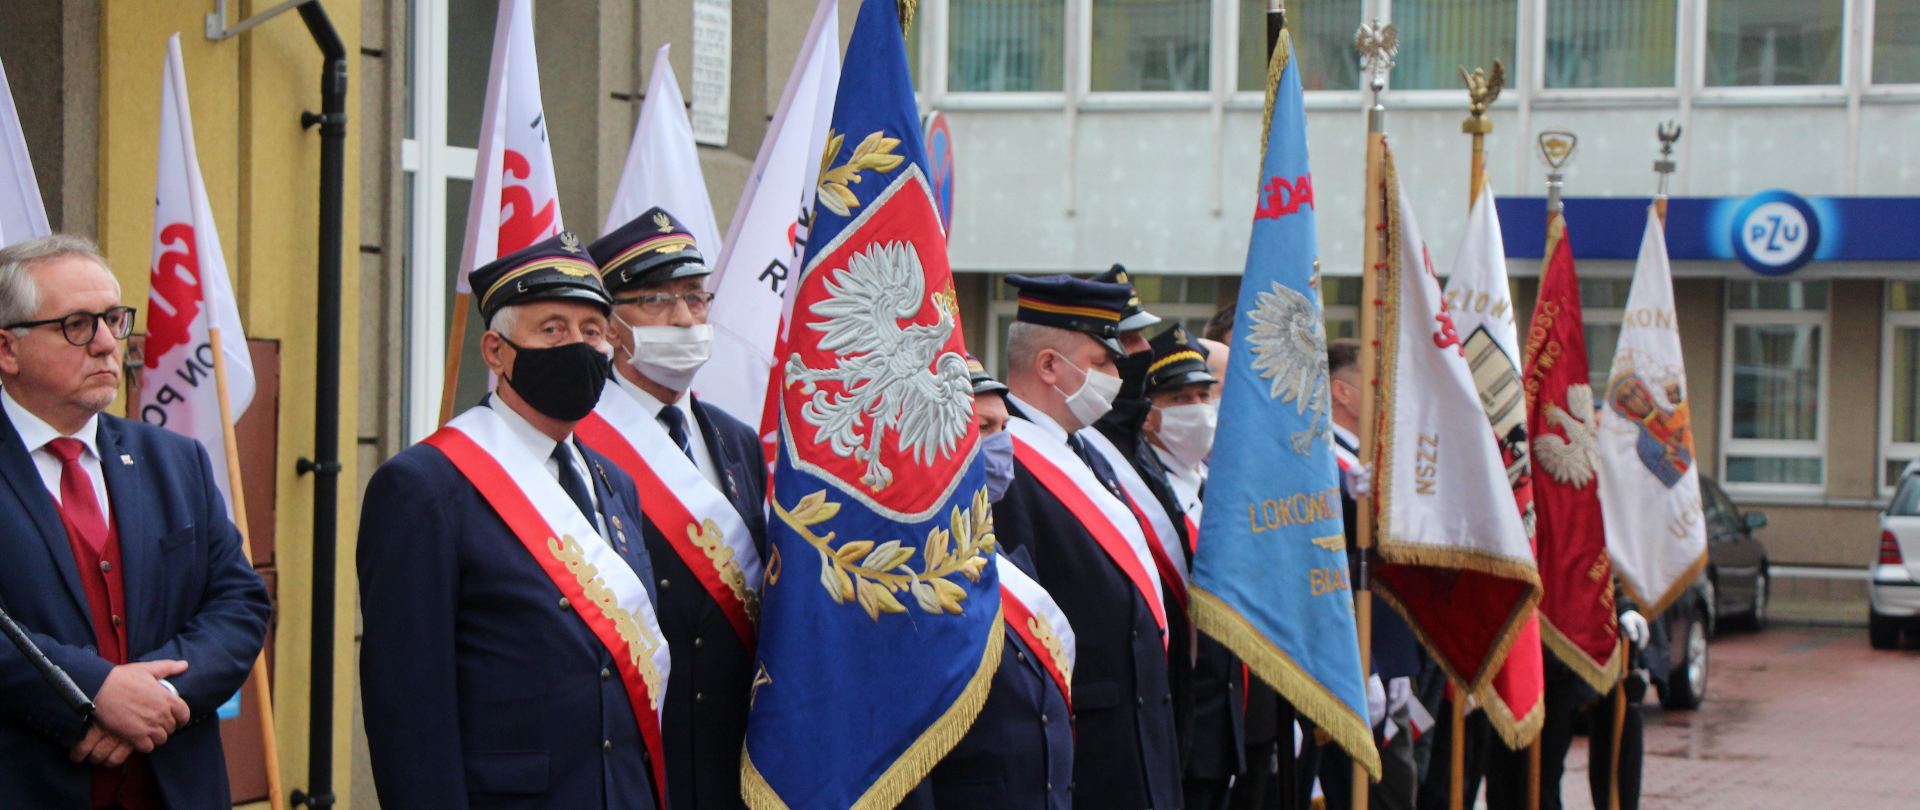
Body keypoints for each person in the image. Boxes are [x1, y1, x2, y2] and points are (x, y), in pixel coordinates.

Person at [359, 232, 667, 810]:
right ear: (496, 351)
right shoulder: (425, 487)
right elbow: (407, 709)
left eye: (593, 332)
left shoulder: (615, 485)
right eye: (553, 328)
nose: (579, 345)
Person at [0, 235, 272, 809]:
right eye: (77, 324)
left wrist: (158, 694)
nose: (106, 345)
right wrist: (94, 694)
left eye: (113, 320)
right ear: (7, 349)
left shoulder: (175, 460)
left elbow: (239, 604)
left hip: (175, 788)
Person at [581, 207, 768, 810]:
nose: (686, 319)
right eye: (657, 301)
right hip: (637, 751)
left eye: (695, 298)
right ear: (610, 327)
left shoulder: (736, 441)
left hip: (731, 756)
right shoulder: (580, 440)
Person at [993, 273, 1182, 810]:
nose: (1115, 372)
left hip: (1138, 741)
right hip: (1083, 752)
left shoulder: (1087, 452)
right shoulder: (1005, 464)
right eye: (1100, 361)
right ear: (1050, 365)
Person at [899, 360, 1075, 810]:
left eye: (1004, 427)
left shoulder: (1006, 556)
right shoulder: (901, 574)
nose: (1000, 445)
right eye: (983, 427)